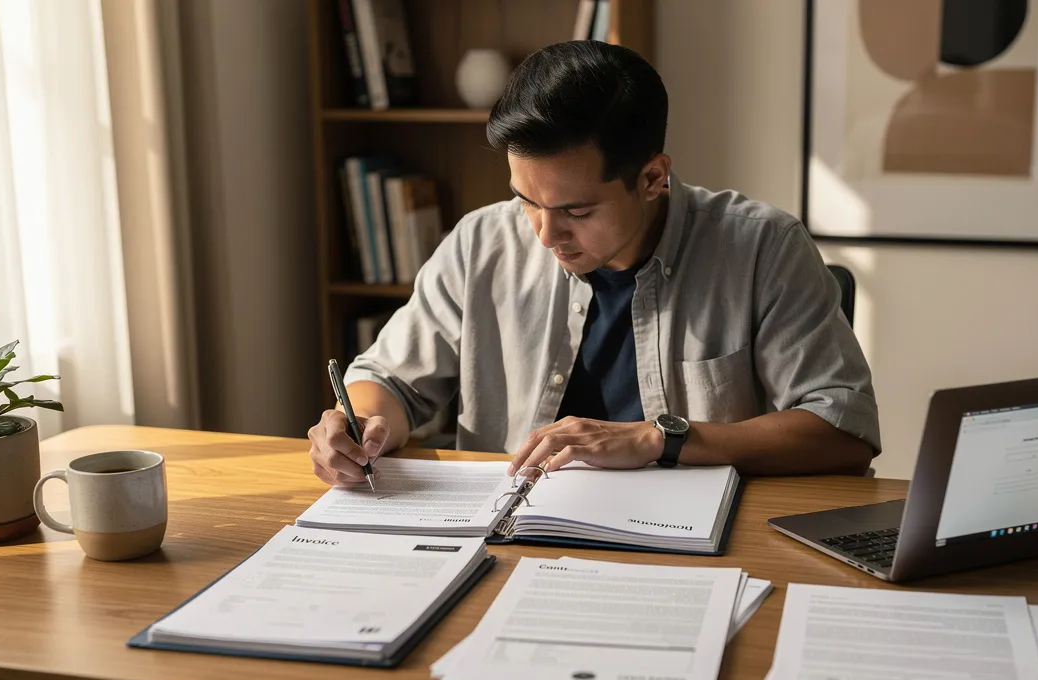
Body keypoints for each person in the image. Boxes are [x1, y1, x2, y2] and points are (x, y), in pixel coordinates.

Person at [308, 40, 880, 487]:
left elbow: (844, 432)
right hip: (507, 534)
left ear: (652, 177)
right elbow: (388, 380)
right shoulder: (481, 242)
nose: (544, 233)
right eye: (526, 200)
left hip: (690, 543)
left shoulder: (762, 248)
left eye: (575, 211)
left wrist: (658, 439)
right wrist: (359, 427)